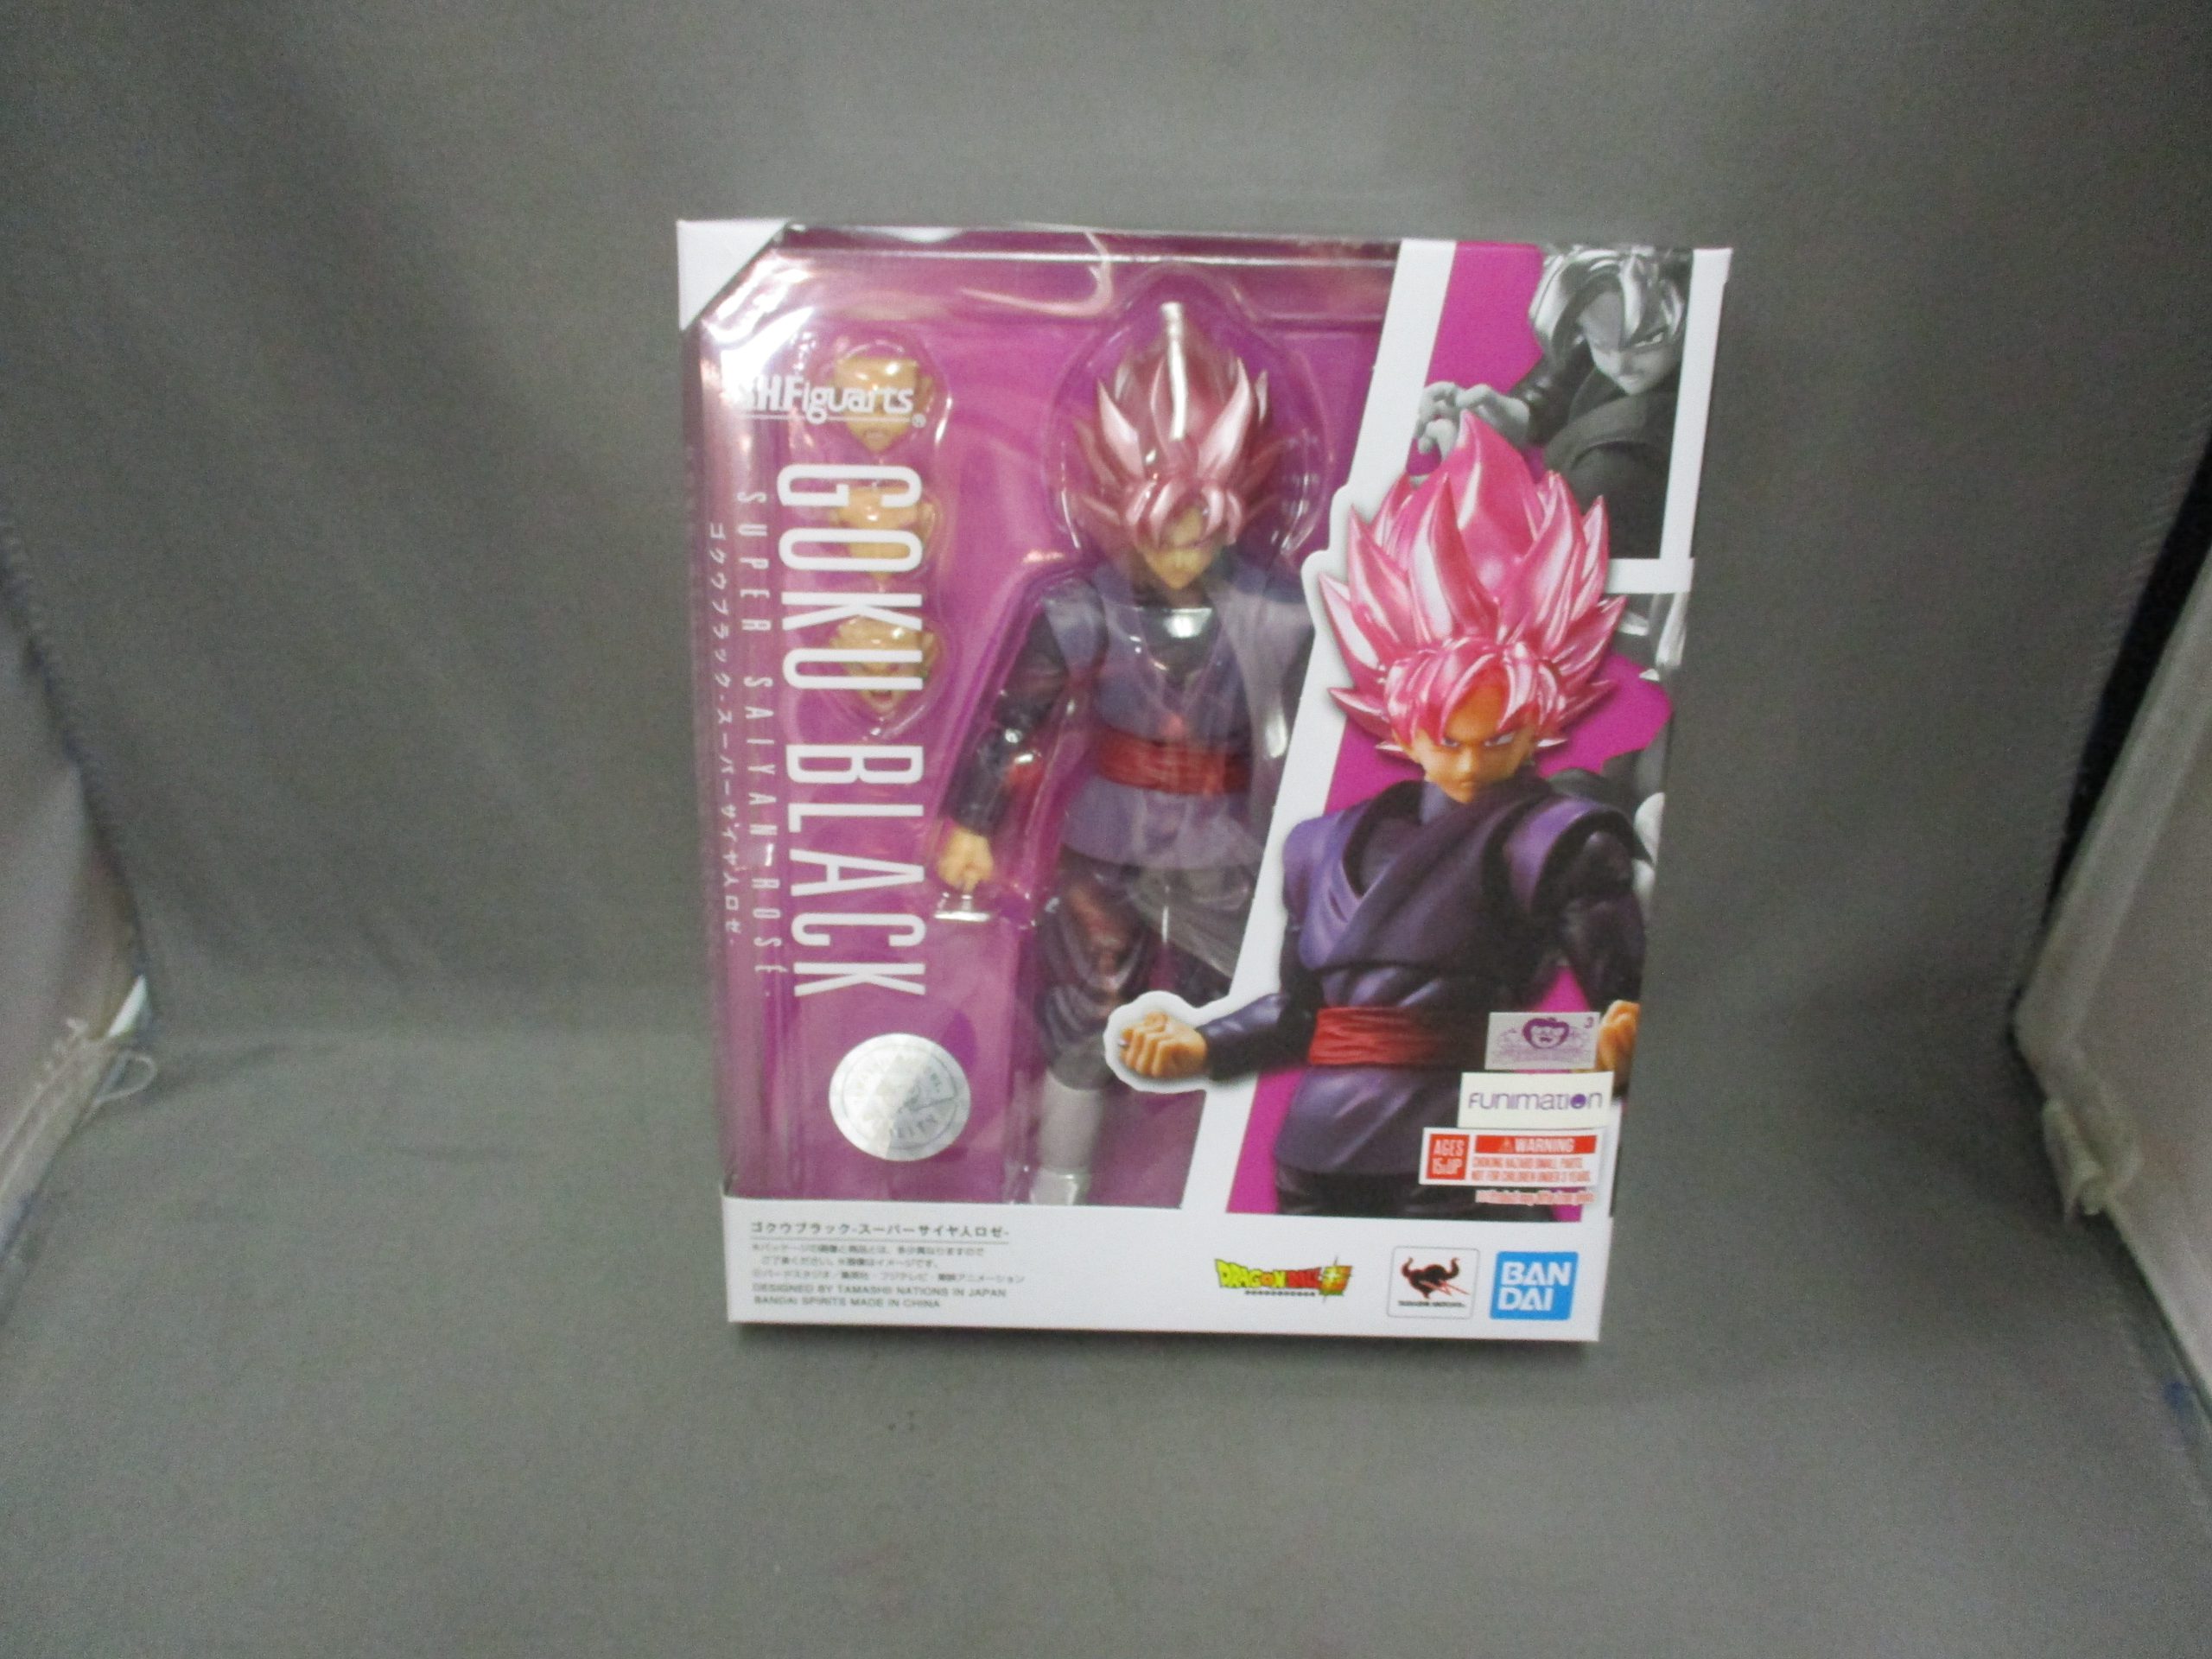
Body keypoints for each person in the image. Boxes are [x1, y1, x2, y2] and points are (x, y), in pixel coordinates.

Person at [1120, 416, 1643, 1219]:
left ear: (1539, 724)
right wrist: (1205, 1042)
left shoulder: (1560, 842)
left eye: (1500, 739)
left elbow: (1618, 1012)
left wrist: (1599, 1053)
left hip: (1466, 1153)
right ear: (1404, 726)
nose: (1470, 765)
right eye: (1449, 739)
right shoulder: (1321, 845)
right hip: (1316, 1156)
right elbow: (1304, 1018)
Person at [935, 302, 1310, 1205]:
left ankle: (1238, 1182)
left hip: (1229, 849)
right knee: (1084, 1016)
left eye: (1200, 530)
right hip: (1107, 845)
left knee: (1240, 1017)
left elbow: (1311, 737)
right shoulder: (1078, 611)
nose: (1181, 552)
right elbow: (1014, 723)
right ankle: (1057, 1185)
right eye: (1163, 530)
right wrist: (975, 821)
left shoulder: (1278, 612)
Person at [1416, 245, 1690, 563]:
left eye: (1646, 340)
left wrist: (1471, 483)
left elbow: (1538, 561)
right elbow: (1579, 361)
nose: (1620, 366)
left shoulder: (1619, 465)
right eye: (1600, 343)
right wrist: (1523, 414)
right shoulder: (1626, 349)